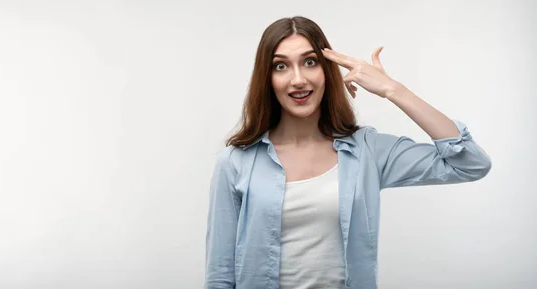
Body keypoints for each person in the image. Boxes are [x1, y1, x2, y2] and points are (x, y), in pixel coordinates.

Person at [204, 16, 491, 289]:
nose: (298, 79)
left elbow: (469, 163)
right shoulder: (235, 162)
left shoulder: (367, 151)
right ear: (266, 79)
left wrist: (392, 89)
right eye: (281, 66)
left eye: (310, 62)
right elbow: (220, 274)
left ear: (327, 71)